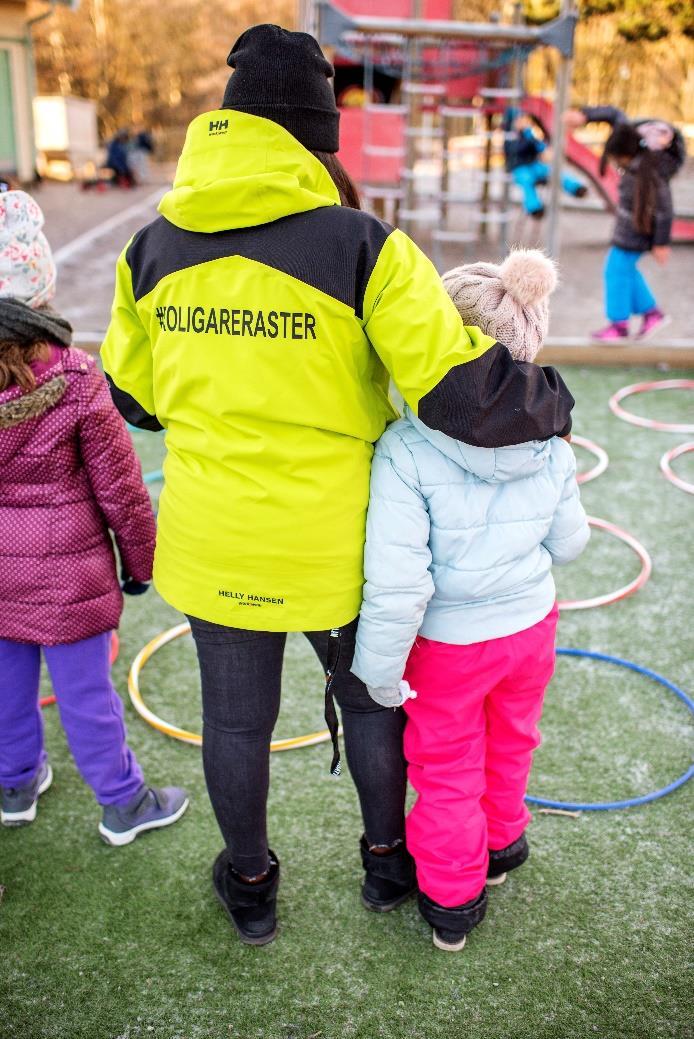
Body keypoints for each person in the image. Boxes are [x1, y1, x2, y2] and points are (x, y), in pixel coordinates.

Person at [101, 25, 575, 947]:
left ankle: (249, 881)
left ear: (228, 125)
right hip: (339, 539)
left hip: (214, 536)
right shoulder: (367, 245)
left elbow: (137, 400)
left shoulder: (149, 249)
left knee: (236, 725)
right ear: (322, 139)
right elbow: (459, 393)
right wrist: (551, 405)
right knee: (370, 700)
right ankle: (389, 860)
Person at [353, 249, 590, 952]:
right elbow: (570, 543)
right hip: (530, 630)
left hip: (449, 647)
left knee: (447, 767)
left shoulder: (406, 447)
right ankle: (503, 846)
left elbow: (398, 581)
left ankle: (453, 899)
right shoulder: (553, 435)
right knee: (512, 739)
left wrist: (378, 667)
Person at [0, 190, 188, 845]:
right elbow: (123, 490)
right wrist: (140, 564)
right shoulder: (78, 377)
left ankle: (15, 782)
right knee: (86, 695)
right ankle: (122, 801)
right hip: (69, 575)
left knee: (5, 681)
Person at [590, 123, 673, 342]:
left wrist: (661, 243)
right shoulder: (635, 169)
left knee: (615, 271)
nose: (616, 163)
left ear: (626, 154)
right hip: (629, 231)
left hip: (637, 234)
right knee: (626, 271)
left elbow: (664, 210)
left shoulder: (649, 171)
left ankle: (619, 325)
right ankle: (651, 313)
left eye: (617, 158)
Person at [564, 104, 686, 183]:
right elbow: (613, 113)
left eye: (618, 161)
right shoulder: (624, 131)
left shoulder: (657, 164)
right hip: (644, 131)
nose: (617, 164)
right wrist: (585, 115)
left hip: (670, 151)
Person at [504, 108, 587, 219]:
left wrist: (543, 148)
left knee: (551, 171)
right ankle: (534, 208)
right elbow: (516, 150)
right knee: (526, 181)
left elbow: (539, 146)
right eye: (520, 120)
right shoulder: (510, 137)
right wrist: (530, 138)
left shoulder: (528, 135)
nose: (524, 122)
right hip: (519, 168)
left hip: (533, 165)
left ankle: (575, 188)